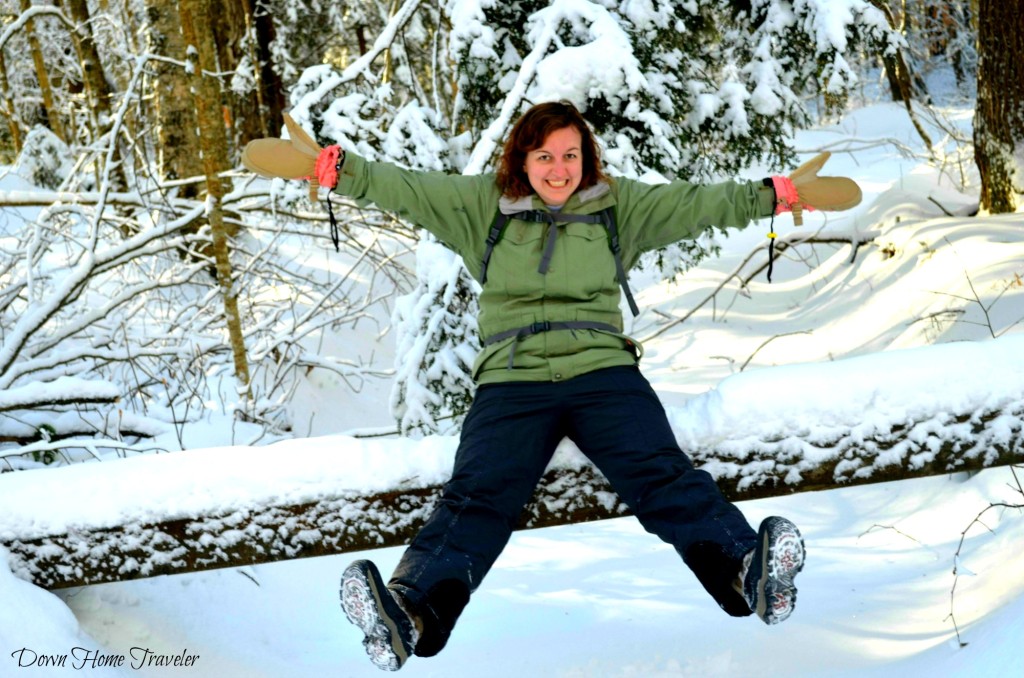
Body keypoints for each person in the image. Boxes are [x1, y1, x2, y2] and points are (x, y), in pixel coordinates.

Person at [242, 100, 861, 672]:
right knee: (479, 496)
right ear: (522, 160)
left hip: (603, 373)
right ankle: (410, 612)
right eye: (545, 156)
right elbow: (403, 187)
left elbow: (700, 202)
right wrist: (332, 167)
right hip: (513, 381)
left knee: (660, 473)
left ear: (586, 159)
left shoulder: (620, 206)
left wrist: (777, 193)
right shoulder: (478, 205)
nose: (559, 169)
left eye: (570, 155)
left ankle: (746, 571)